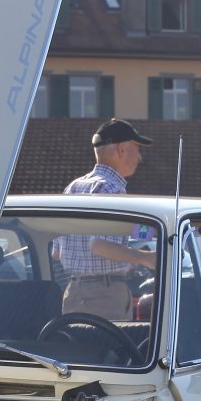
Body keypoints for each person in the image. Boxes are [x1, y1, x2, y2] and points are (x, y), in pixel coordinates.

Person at [58, 119, 157, 318]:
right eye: (137, 149)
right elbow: (99, 245)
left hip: (73, 292)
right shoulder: (111, 188)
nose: (139, 157)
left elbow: (57, 252)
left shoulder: (73, 187)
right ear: (122, 149)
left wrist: (153, 231)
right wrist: (145, 258)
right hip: (104, 296)